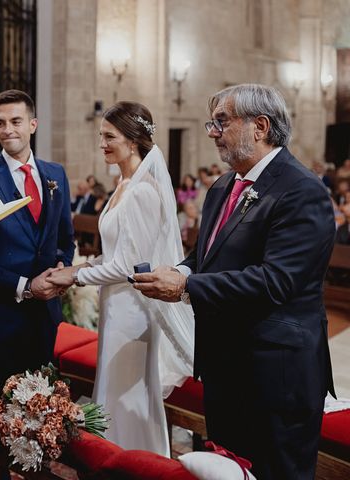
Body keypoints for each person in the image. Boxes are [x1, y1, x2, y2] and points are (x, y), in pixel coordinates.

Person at [133, 84, 336, 479]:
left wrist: (188, 288)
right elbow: (203, 257)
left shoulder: (301, 190)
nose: (212, 131)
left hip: (276, 372)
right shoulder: (223, 186)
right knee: (227, 469)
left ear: (260, 126)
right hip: (225, 365)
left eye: (221, 122)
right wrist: (182, 272)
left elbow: (277, 281)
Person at [46, 101, 194, 454]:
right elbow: (114, 256)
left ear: (133, 139)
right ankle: (113, 462)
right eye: (101, 135)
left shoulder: (143, 191)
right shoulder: (125, 184)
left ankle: (138, 463)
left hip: (134, 310)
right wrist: (76, 267)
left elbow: (130, 268)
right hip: (117, 305)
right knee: (113, 391)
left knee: (128, 396)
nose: (102, 143)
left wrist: (74, 279)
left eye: (109, 136)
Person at [0, 89, 75, 397]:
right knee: (5, 412)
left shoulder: (56, 174)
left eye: (15, 121)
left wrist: (61, 270)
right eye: (0, 123)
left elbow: (65, 236)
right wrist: (26, 286)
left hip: (48, 316)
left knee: (49, 409)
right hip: (5, 316)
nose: (7, 130)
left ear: (33, 125)